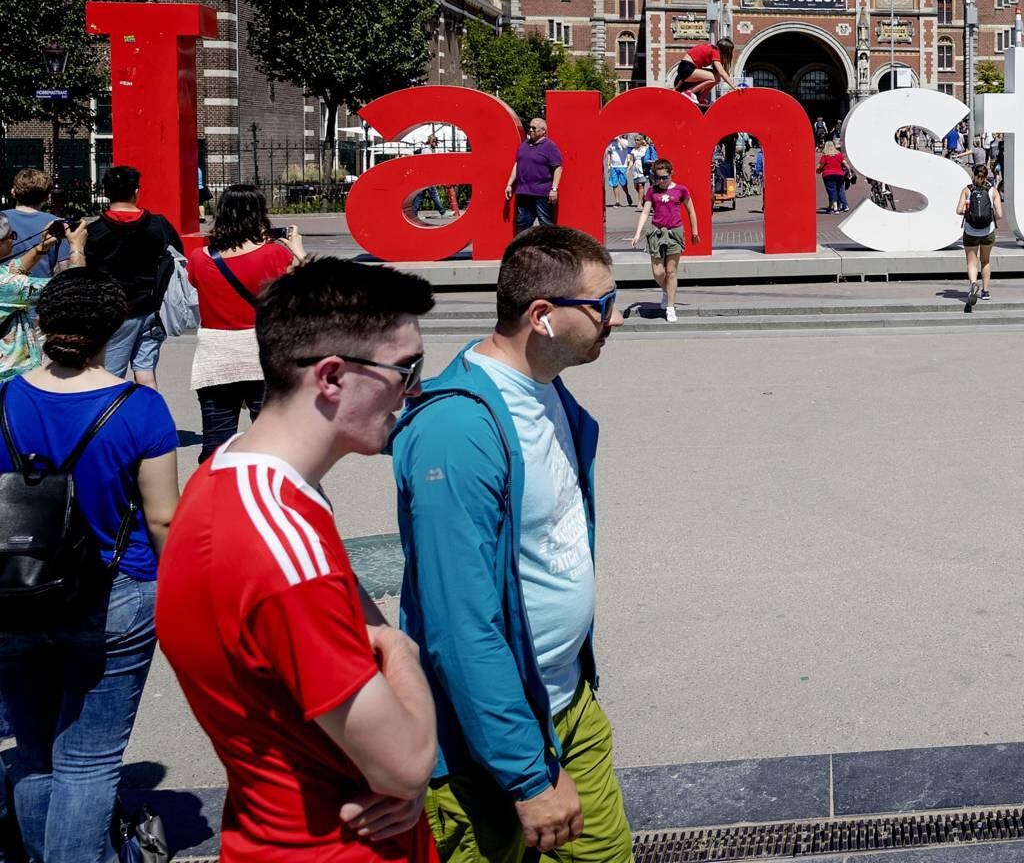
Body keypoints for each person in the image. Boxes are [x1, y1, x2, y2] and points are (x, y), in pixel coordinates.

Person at [157, 258, 439, 860]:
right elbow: (408, 764)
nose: (415, 390)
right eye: (407, 369)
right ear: (332, 376)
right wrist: (405, 653)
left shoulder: (234, 471)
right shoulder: (283, 551)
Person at [391, 226, 630, 862]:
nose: (617, 320)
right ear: (543, 317)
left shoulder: (548, 391)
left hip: (568, 707)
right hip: (482, 744)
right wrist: (528, 775)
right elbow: (459, 627)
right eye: (603, 305)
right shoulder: (457, 430)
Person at [0, 270, 180, 863]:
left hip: (14, 591)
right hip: (114, 592)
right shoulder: (141, 409)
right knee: (88, 760)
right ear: (113, 330)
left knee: (32, 752)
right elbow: (162, 520)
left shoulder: (3, 400)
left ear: (42, 324)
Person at [189, 185, 308, 461]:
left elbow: (194, 284)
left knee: (215, 446)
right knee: (272, 442)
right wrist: (298, 252)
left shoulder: (199, 258)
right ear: (259, 215)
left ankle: (214, 496)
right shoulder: (275, 255)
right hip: (262, 355)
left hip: (216, 358)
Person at [83, 166, 181, 390]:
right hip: (152, 308)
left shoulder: (95, 231)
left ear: (105, 192)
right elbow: (177, 258)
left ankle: (108, 422)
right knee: (146, 375)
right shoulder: (159, 225)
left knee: (111, 376)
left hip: (113, 312)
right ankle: (149, 420)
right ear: (136, 191)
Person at [0, 214, 88, 381]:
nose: (13, 239)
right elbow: (71, 287)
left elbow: (13, 269)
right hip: (9, 378)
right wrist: (77, 247)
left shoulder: (5, 280)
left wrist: (43, 247)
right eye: (11, 236)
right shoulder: (6, 285)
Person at [630, 159, 697, 323]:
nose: (660, 181)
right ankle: (667, 292)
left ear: (671, 173)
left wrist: (695, 231)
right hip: (656, 233)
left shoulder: (681, 190)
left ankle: (670, 307)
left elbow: (691, 211)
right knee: (658, 272)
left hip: (674, 232)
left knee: (671, 271)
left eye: (664, 177)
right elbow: (645, 212)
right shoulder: (652, 191)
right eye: (657, 177)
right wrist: (638, 233)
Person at [5, 168, 69, 279]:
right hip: (38, 290)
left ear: (13, 193)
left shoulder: (2, 219)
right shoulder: (57, 224)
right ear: (47, 197)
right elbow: (65, 266)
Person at [956, 164, 1002, 313]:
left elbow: (958, 210)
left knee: (971, 262)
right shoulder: (992, 191)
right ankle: (986, 291)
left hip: (970, 231)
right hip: (988, 232)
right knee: (985, 261)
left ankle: (973, 284)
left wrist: (967, 211)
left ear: (973, 174)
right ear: (986, 175)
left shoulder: (967, 190)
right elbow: (999, 215)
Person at [505, 118, 563, 233]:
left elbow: (558, 167)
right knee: (522, 225)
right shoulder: (524, 145)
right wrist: (509, 184)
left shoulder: (550, 146)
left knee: (546, 226)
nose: (530, 130)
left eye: (534, 128)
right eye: (530, 127)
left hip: (541, 194)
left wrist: (554, 189)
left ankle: (549, 250)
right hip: (523, 193)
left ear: (543, 131)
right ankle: (524, 250)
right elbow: (517, 164)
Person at [674, 39, 735, 105]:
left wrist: (677, 88)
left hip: (685, 69)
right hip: (687, 69)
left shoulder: (711, 48)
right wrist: (734, 87)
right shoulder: (715, 51)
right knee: (715, 78)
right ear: (726, 51)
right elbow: (722, 72)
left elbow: (685, 66)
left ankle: (701, 99)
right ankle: (689, 92)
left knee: (716, 77)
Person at [818, 143, 850, 214]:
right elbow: (845, 163)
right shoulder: (839, 154)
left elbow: (820, 165)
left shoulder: (825, 156)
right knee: (840, 189)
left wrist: (818, 170)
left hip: (828, 174)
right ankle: (844, 205)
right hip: (839, 174)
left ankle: (835, 208)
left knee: (831, 190)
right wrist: (849, 171)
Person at [603, 137, 634, 209]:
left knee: (623, 184)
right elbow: (609, 154)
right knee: (614, 184)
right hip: (613, 166)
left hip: (622, 166)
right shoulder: (611, 143)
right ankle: (617, 202)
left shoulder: (625, 141)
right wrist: (608, 165)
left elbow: (625, 147)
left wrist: (619, 140)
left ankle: (627, 194)